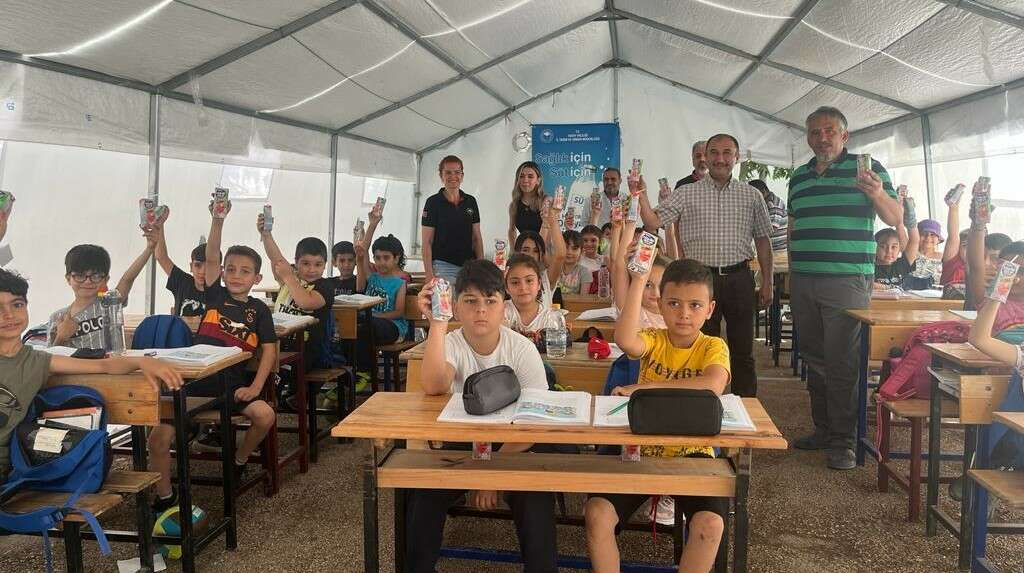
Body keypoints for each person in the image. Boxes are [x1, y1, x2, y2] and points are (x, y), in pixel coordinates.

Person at [408, 260, 557, 573]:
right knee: (424, 491)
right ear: (457, 307)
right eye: (470, 301)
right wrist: (437, 322)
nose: (480, 311)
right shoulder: (450, 343)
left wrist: (490, 473)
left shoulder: (521, 349)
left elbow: (533, 426)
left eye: (490, 301)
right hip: (459, 447)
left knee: (536, 496)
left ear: (504, 307)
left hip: (513, 447)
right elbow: (434, 385)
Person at [585, 259, 730, 573]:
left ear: (710, 308)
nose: (684, 313)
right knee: (597, 513)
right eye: (674, 303)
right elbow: (625, 340)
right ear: (660, 304)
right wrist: (638, 281)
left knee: (711, 524)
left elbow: (713, 384)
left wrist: (643, 388)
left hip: (693, 453)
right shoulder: (654, 339)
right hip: (639, 450)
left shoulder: (713, 346)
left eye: (695, 305)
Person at [787, 106, 901, 470]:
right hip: (804, 278)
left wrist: (878, 194)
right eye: (815, 131)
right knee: (814, 357)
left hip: (846, 279)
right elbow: (793, 227)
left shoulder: (868, 170)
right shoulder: (799, 177)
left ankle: (844, 441)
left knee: (843, 363)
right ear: (808, 137)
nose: (823, 137)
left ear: (844, 136)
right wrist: (792, 272)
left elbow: (896, 218)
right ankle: (823, 430)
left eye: (830, 131)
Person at [147, 198, 279, 509]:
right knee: (157, 438)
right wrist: (217, 221)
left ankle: (238, 458)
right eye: (230, 269)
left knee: (266, 415)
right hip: (192, 384)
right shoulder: (214, 294)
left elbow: (270, 349)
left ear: (257, 279)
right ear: (219, 272)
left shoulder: (259, 310)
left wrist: (256, 387)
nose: (236, 275)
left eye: (245, 271)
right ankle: (165, 497)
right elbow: (210, 255)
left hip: (230, 386)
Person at [0, 268, 184, 484]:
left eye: (17, 304)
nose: (9, 315)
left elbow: (105, 365)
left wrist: (143, 361)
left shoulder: (37, 361)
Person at [639, 133, 772, 398]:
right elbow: (653, 222)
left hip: (739, 278)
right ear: (705, 156)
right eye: (714, 152)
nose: (720, 159)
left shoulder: (752, 195)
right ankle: (701, 403)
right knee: (695, 347)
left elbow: (763, 241)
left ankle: (745, 411)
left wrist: (767, 281)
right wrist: (640, 194)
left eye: (726, 153)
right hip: (698, 283)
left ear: (737, 157)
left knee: (743, 350)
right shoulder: (686, 193)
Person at [47, 232, 157, 349]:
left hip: (111, 365)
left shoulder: (109, 304)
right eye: (80, 275)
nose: (87, 281)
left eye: (95, 276)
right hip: (78, 367)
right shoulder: (57, 318)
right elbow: (49, 361)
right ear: (68, 279)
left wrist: (149, 249)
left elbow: (127, 279)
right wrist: (61, 337)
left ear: (106, 279)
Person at [354, 232, 408, 389]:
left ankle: (365, 372)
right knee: (352, 328)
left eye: (386, 258)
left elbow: (399, 312)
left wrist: (376, 315)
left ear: (396, 258)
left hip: (393, 327)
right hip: (369, 326)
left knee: (366, 326)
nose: (381, 262)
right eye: (377, 258)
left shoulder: (399, 283)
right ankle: (353, 373)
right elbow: (362, 254)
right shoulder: (372, 277)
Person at [422, 155, 483, 284]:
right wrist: (429, 274)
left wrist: (481, 266)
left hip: (469, 268)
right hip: (442, 266)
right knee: (446, 304)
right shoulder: (433, 202)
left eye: (457, 172)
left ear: (462, 175)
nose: (453, 176)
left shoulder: (471, 201)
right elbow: (427, 242)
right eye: (448, 172)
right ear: (441, 175)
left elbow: (477, 238)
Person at [152, 208, 218, 317]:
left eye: (209, 266)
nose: (203, 271)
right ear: (191, 266)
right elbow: (161, 257)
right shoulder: (183, 282)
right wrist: (159, 226)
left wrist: (217, 220)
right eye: (198, 265)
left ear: (219, 270)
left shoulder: (221, 293)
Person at [504, 253, 565, 350]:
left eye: (529, 281)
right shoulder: (501, 312)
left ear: (539, 284)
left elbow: (556, 352)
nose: (523, 288)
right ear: (506, 288)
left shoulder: (550, 317)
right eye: (515, 282)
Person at [874, 194, 920, 289]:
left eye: (894, 247)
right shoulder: (869, 267)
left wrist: (910, 217)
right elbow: (866, 284)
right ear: (875, 247)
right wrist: (888, 288)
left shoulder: (901, 265)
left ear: (899, 248)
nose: (889, 251)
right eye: (883, 246)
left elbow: (914, 241)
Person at [507, 161, 546, 246]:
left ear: (538, 181)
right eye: (521, 176)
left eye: (530, 176)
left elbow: (550, 231)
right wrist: (513, 251)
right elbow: (512, 230)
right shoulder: (514, 205)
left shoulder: (546, 201)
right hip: (524, 252)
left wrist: (540, 253)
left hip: (544, 251)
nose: (525, 180)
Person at [748, 179, 788, 252]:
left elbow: (771, 228)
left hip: (779, 250)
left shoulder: (773, 204)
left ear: (763, 192)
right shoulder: (764, 203)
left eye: (752, 195)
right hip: (772, 248)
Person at [906, 218, 946, 286]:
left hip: (936, 294)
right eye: (924, 234)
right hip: (911, 293)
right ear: (917, 237)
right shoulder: (910, 254)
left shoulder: (944, 257)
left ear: (938, 239)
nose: (928, 237)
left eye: (932, 234)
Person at [941, 189, 967, 286]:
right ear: (958, 248)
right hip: (947, 301)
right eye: (965, 245)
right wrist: (953, 208)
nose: (969, 250)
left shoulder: (983, 269)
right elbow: (953, 235)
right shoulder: (953, 262)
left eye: (974, 247)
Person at [557, 230, 594, 295]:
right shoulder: (554, 269)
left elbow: (583, 299)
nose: (569, 252)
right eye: (566, 247)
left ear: (582, 251)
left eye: (574, 249)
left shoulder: (585, 272)